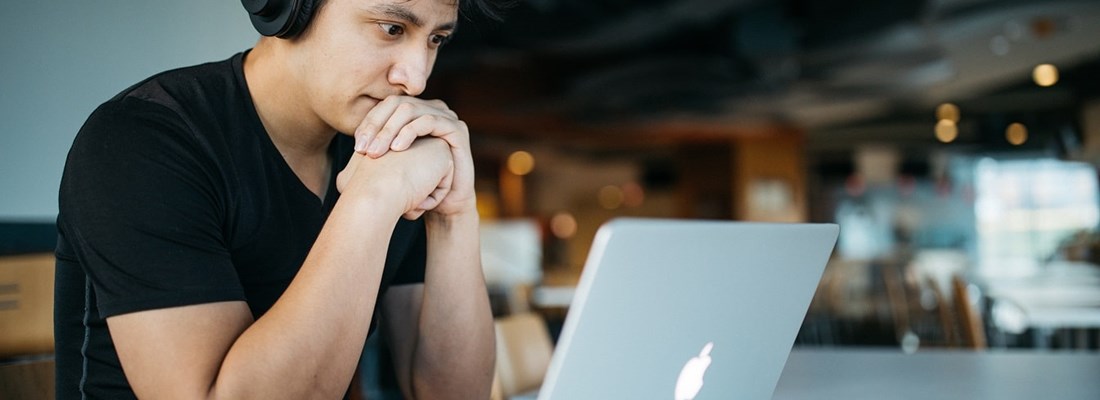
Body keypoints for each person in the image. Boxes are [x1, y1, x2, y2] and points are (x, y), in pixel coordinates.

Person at [54, 0, 503, 398]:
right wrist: (373, 198)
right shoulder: (144, 141)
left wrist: (453, 214)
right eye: (391, 28)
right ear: (290, 7)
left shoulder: (387, 146)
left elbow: (453, 393)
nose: (416, 78)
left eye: (437, 38)